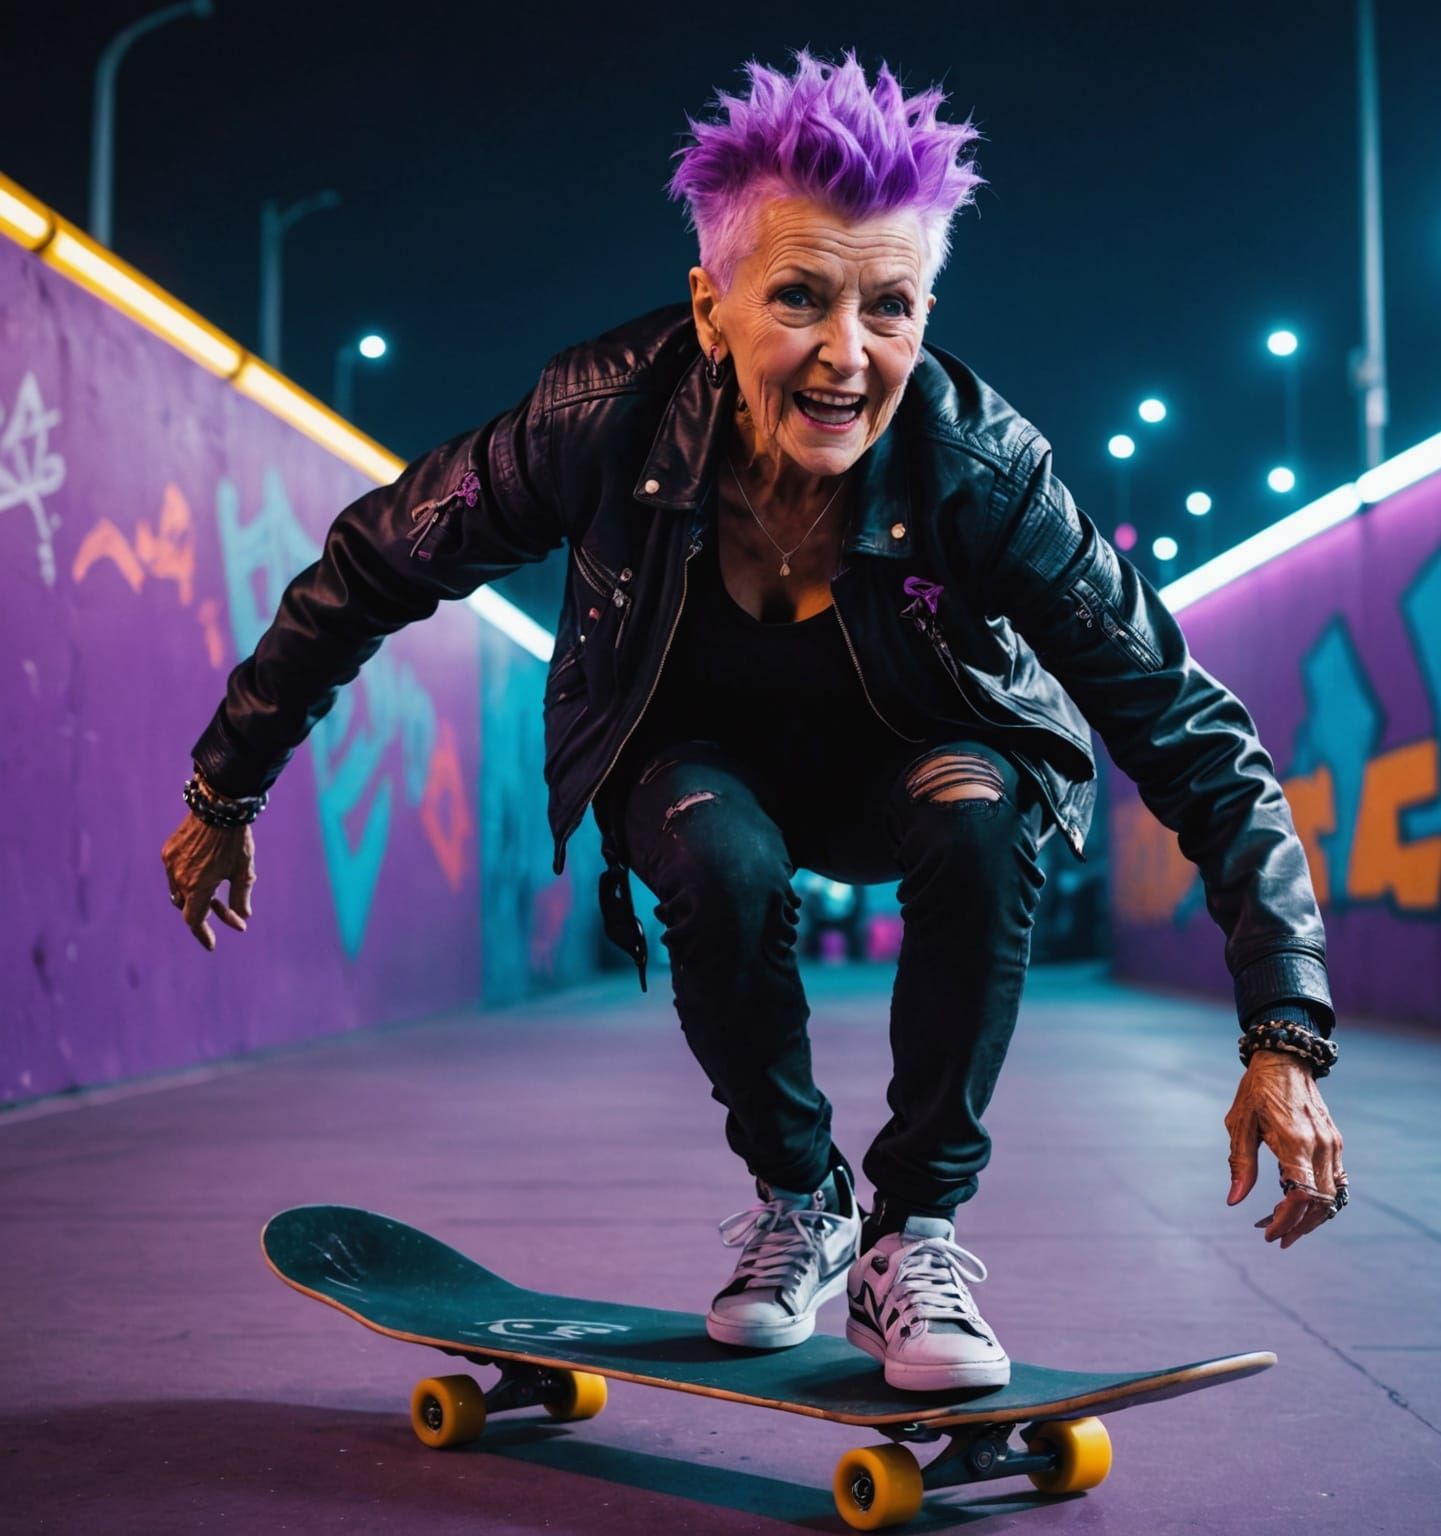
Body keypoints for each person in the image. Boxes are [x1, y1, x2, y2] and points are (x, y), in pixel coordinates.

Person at [162, 48, 1348, 1394]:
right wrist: (224, 788)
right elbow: (377, 561)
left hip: (921, 767)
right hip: (700, 773)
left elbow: (1189, 729)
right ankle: (802, 1197)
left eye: (890, 307)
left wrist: (1285, 1032)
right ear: (710, 308)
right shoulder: (596, 420)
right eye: (800, 298)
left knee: (980, 808)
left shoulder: (984, 472)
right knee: (717, 855)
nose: (848, 356)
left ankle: (912, 1237)